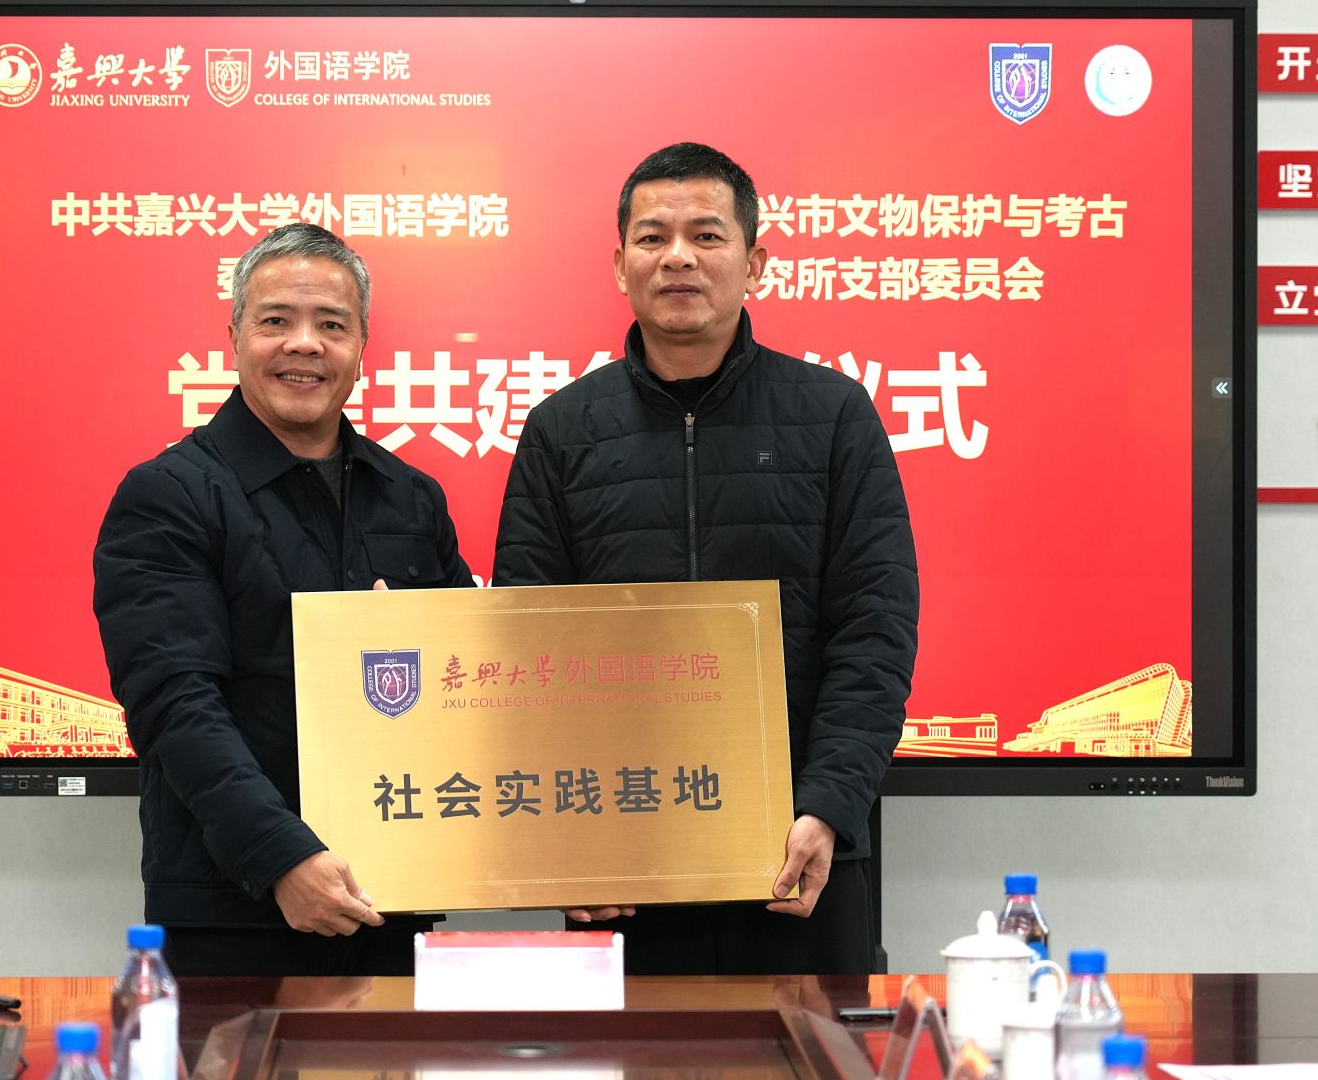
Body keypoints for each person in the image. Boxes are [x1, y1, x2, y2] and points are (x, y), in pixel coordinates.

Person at [493, 142, 919, 975]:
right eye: (652, 237)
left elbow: (874, 632)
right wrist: (563, 838)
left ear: (754, 262)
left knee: (814, 1060)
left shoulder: (834, 417)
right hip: (622, 858)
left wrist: (829, 805)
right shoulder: (562, 432)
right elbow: (525, 648)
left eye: (707, 235)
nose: (678, 256)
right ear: (620, 264)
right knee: (635, 1062)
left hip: (799, 854)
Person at [94, 222, 472, 976]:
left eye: (332, 325)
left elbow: (472, 685)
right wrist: (281, 857)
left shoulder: (412, 497)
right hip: (234, 909)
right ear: (234, 336)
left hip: (391, 897)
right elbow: (174, 701)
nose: (305, 344)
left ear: (361, 345)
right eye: (276, 320)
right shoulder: (168, 495)